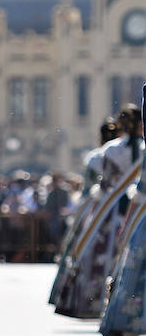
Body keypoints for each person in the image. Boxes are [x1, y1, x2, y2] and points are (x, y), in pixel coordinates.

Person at [55, 106, 144, 318]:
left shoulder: (110, 150)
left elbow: (103, 185)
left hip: (111, 209)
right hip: (139, 208)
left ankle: (95, 302)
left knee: (98, 251)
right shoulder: (144, 148)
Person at [49, 118, 117, 306]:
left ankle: (85, 298)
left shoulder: (97, 156)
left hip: (97, 208)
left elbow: (88, 189)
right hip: (116, 208)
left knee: (84, 246)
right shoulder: (118, 152)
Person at [102, 89, 146, 336]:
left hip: (131, 213)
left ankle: (127, 326)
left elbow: (138, 193)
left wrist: (127, 226)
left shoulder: (110, 150)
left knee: (135, 271)